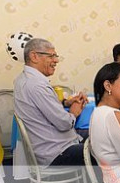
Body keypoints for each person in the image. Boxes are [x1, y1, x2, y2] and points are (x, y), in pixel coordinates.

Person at [14, 38, 88, 167]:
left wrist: (66, 103)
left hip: (48, 146)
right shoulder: (37, 85)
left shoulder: (22, 79)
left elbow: (41, 106)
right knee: (107, 147)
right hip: (57, 152)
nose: (56, 60)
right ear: (34, 56)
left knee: (100, 134)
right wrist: (74, 112)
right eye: (51, 56)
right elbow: (65, 124)